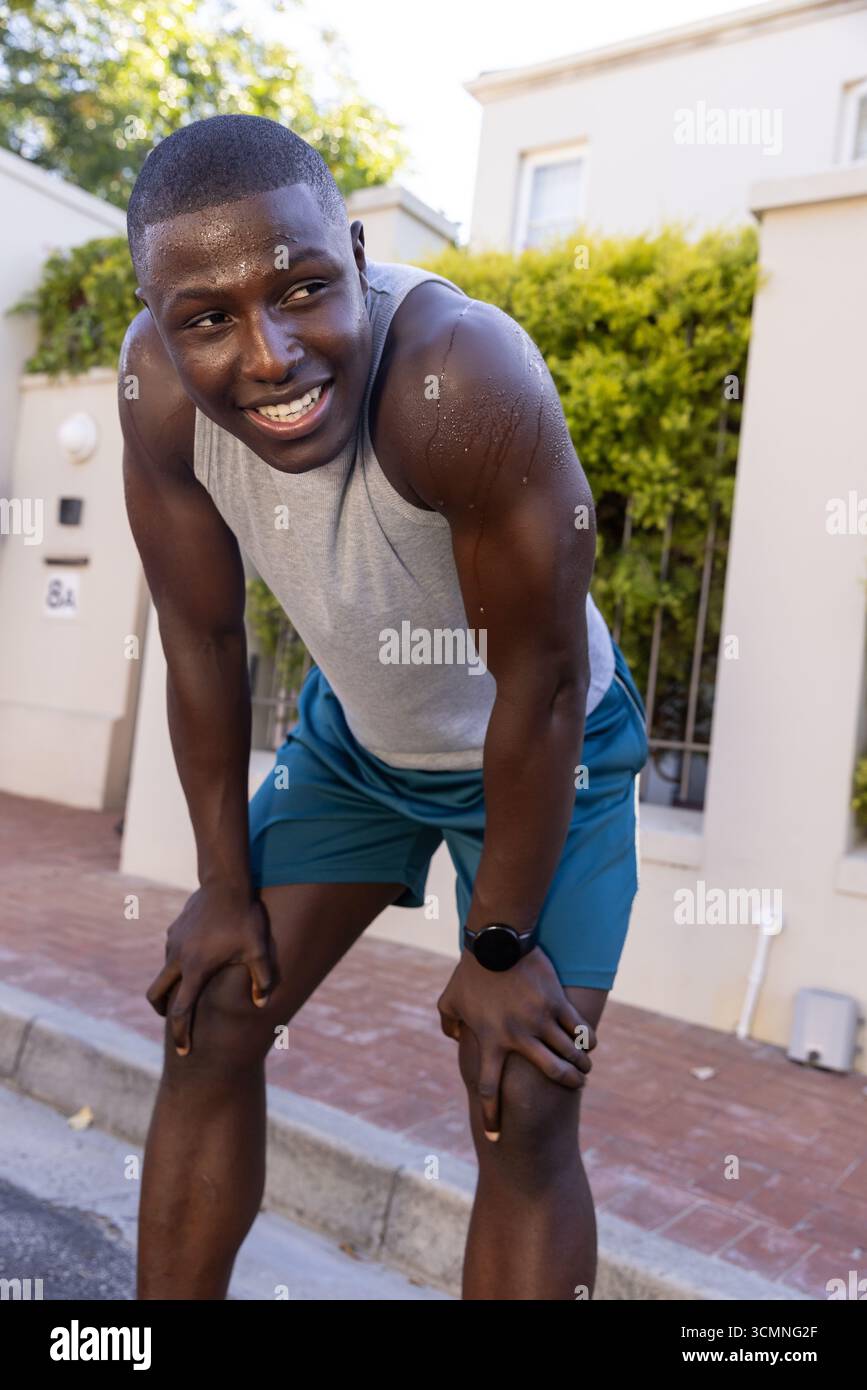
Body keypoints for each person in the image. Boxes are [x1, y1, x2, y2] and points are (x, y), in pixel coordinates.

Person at [119, 113, 649, 1301]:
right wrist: (218, 885)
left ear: (356, 255)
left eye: (303, 289)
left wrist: (500, 942)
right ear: (158, 323)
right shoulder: (151, 392)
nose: (268, 353)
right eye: (207, 318)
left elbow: (545, 682)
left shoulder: (461, 377)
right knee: (209, 1013)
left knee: (521, 1095)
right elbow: (200, 641)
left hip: (548, 748)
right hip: (358, 748)